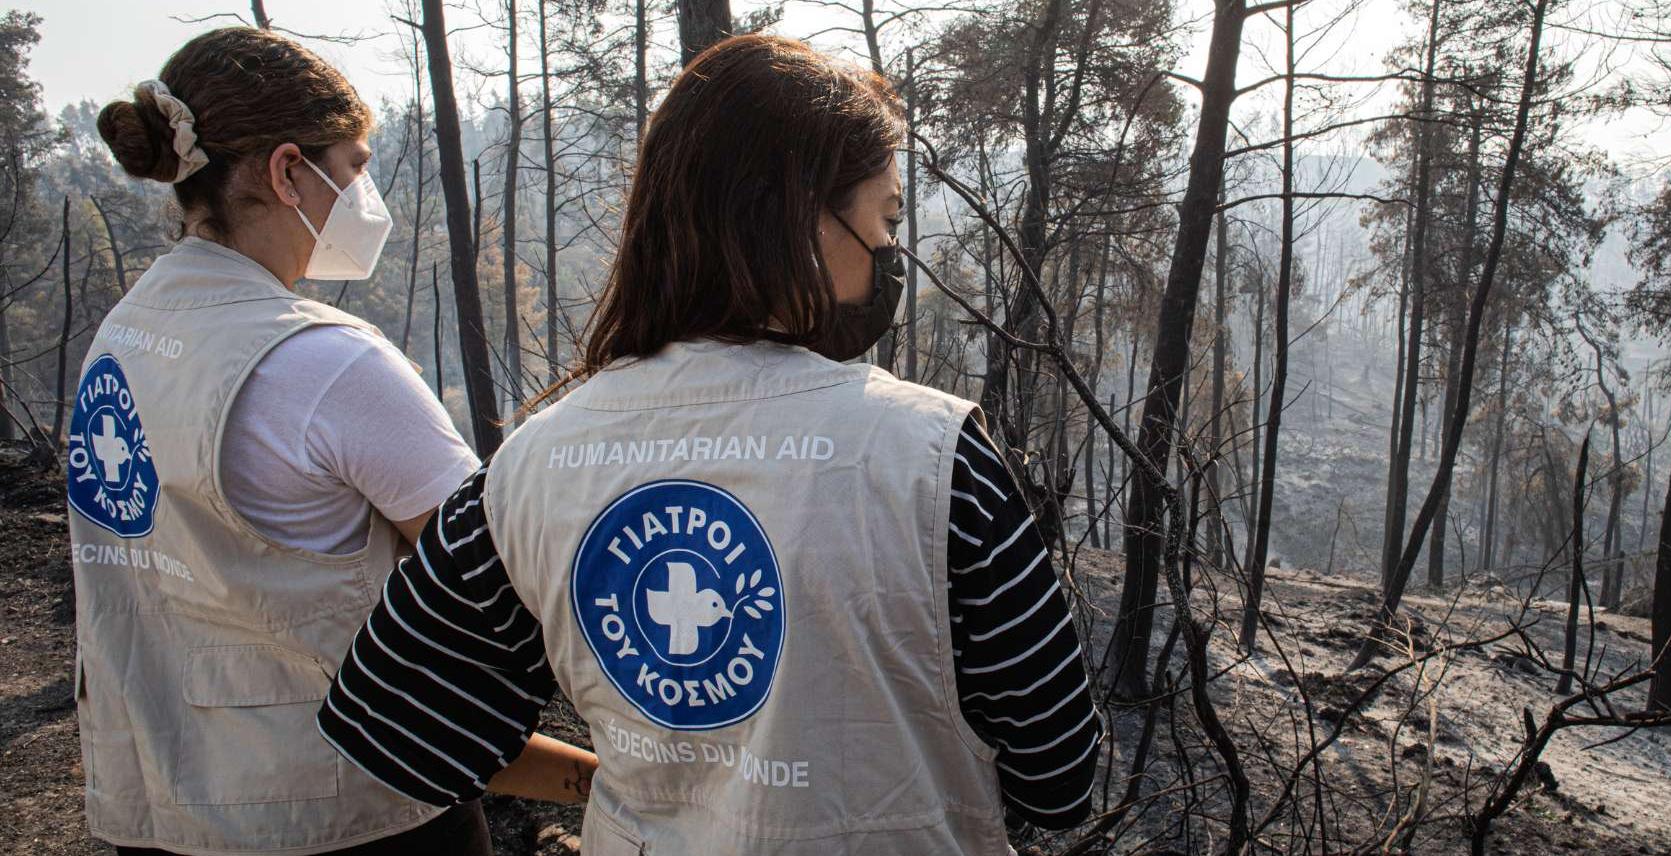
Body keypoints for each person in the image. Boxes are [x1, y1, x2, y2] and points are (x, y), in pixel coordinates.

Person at [318, 33, 1105, 854]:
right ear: (797, 217)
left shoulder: (525, 467)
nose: (890, 253)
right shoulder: (936, 458)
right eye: (886, 218)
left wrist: (653, 771)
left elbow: (397, 727)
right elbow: (1058, 776)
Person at [76, 26, 594, 856]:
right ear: (288, 171)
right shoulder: (325, 363)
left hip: (163, 803)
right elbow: (500, 592)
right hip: (346, 814)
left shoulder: (123, 340)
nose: (365, 193)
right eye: (353, 166)